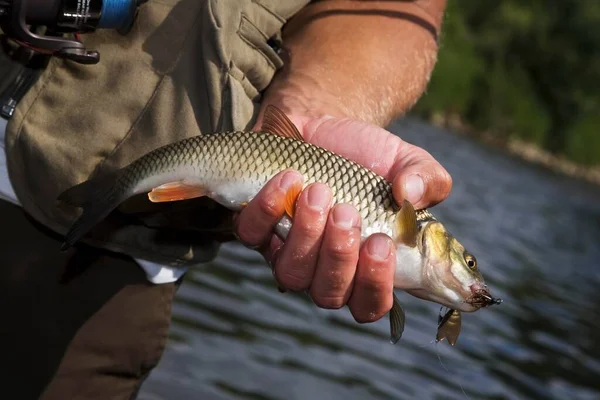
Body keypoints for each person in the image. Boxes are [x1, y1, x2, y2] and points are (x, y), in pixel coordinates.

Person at [0, 0, 450, 398]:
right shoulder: (413, 229)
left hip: (114, 257)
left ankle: (111, 191)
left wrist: (312, 103)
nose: (469, 278)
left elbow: (402, 9)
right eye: (467, 264)